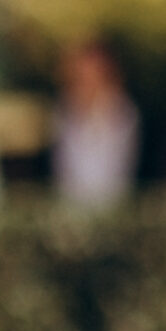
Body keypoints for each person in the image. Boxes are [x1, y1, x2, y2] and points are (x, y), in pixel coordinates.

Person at [50, 37, 141, 209]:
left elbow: (112, 167)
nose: (87, 81)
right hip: (69, 205)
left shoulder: (122, 111)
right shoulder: (62, 110)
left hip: (112, 204)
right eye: (82, 75)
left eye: (93, 74)